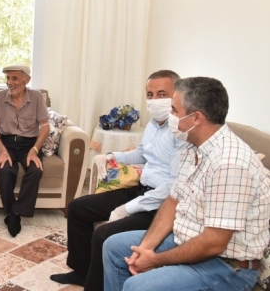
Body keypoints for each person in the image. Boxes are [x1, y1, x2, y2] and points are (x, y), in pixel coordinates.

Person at [103, 77, 270, 291]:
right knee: (113, 247)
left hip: (226, 266)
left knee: (138, 286)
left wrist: (155, 260)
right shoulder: (192, 148)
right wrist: (145, 248)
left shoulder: (230, 163)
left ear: (196, 118)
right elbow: (173, 201)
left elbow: (214, 242)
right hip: (185, 240)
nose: (170, 116)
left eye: (174, 110)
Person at [51, 70, 185, 291]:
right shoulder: (153, 124)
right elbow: (141, 153)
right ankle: (82, 272)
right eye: (150, 94)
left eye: (162, 94)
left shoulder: (181, 132)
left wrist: (127, 208)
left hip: (161, 204)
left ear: (177, 95)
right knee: (77, 208)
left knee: (103, 235)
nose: (154, 100)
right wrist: (112, 156)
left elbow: (172, 187)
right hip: (141, 189)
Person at [0, 63, 49, 237]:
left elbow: (45, 127)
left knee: (36, 170)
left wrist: (35, 149)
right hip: (6, 142)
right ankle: (12, 213)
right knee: (5, 169)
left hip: (29, 144)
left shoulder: (36, 97)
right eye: (8, 78)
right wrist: (1, 150)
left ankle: (14, 213)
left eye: (14, 78)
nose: (10, 82)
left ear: (26, 80)